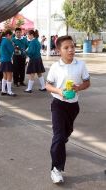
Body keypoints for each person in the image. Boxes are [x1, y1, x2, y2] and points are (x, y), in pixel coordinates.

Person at [45, 35, 90, 184]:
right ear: (59, 51)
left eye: (72, 47)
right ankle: (56, 169)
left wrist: (79, 87)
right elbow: (48, 85)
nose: (71, 50)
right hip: (58, 104)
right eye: (66, 48)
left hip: (73, 106)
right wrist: (59, 91)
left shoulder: (80, 64)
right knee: (58, 136)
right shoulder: (56, 66)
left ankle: (64, 138)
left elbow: (87, 82)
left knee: (66, 133)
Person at [0, 29, 16, 96]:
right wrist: (12, 44)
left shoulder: (2, 40)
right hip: (7, 60)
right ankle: (9, 91)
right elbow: (11, 50)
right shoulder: (7, 41)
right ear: (8, 35)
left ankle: (3, 90)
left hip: (3, 60)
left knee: (5, 75)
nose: (11, 37)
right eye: (11, 36)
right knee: (9, 75)